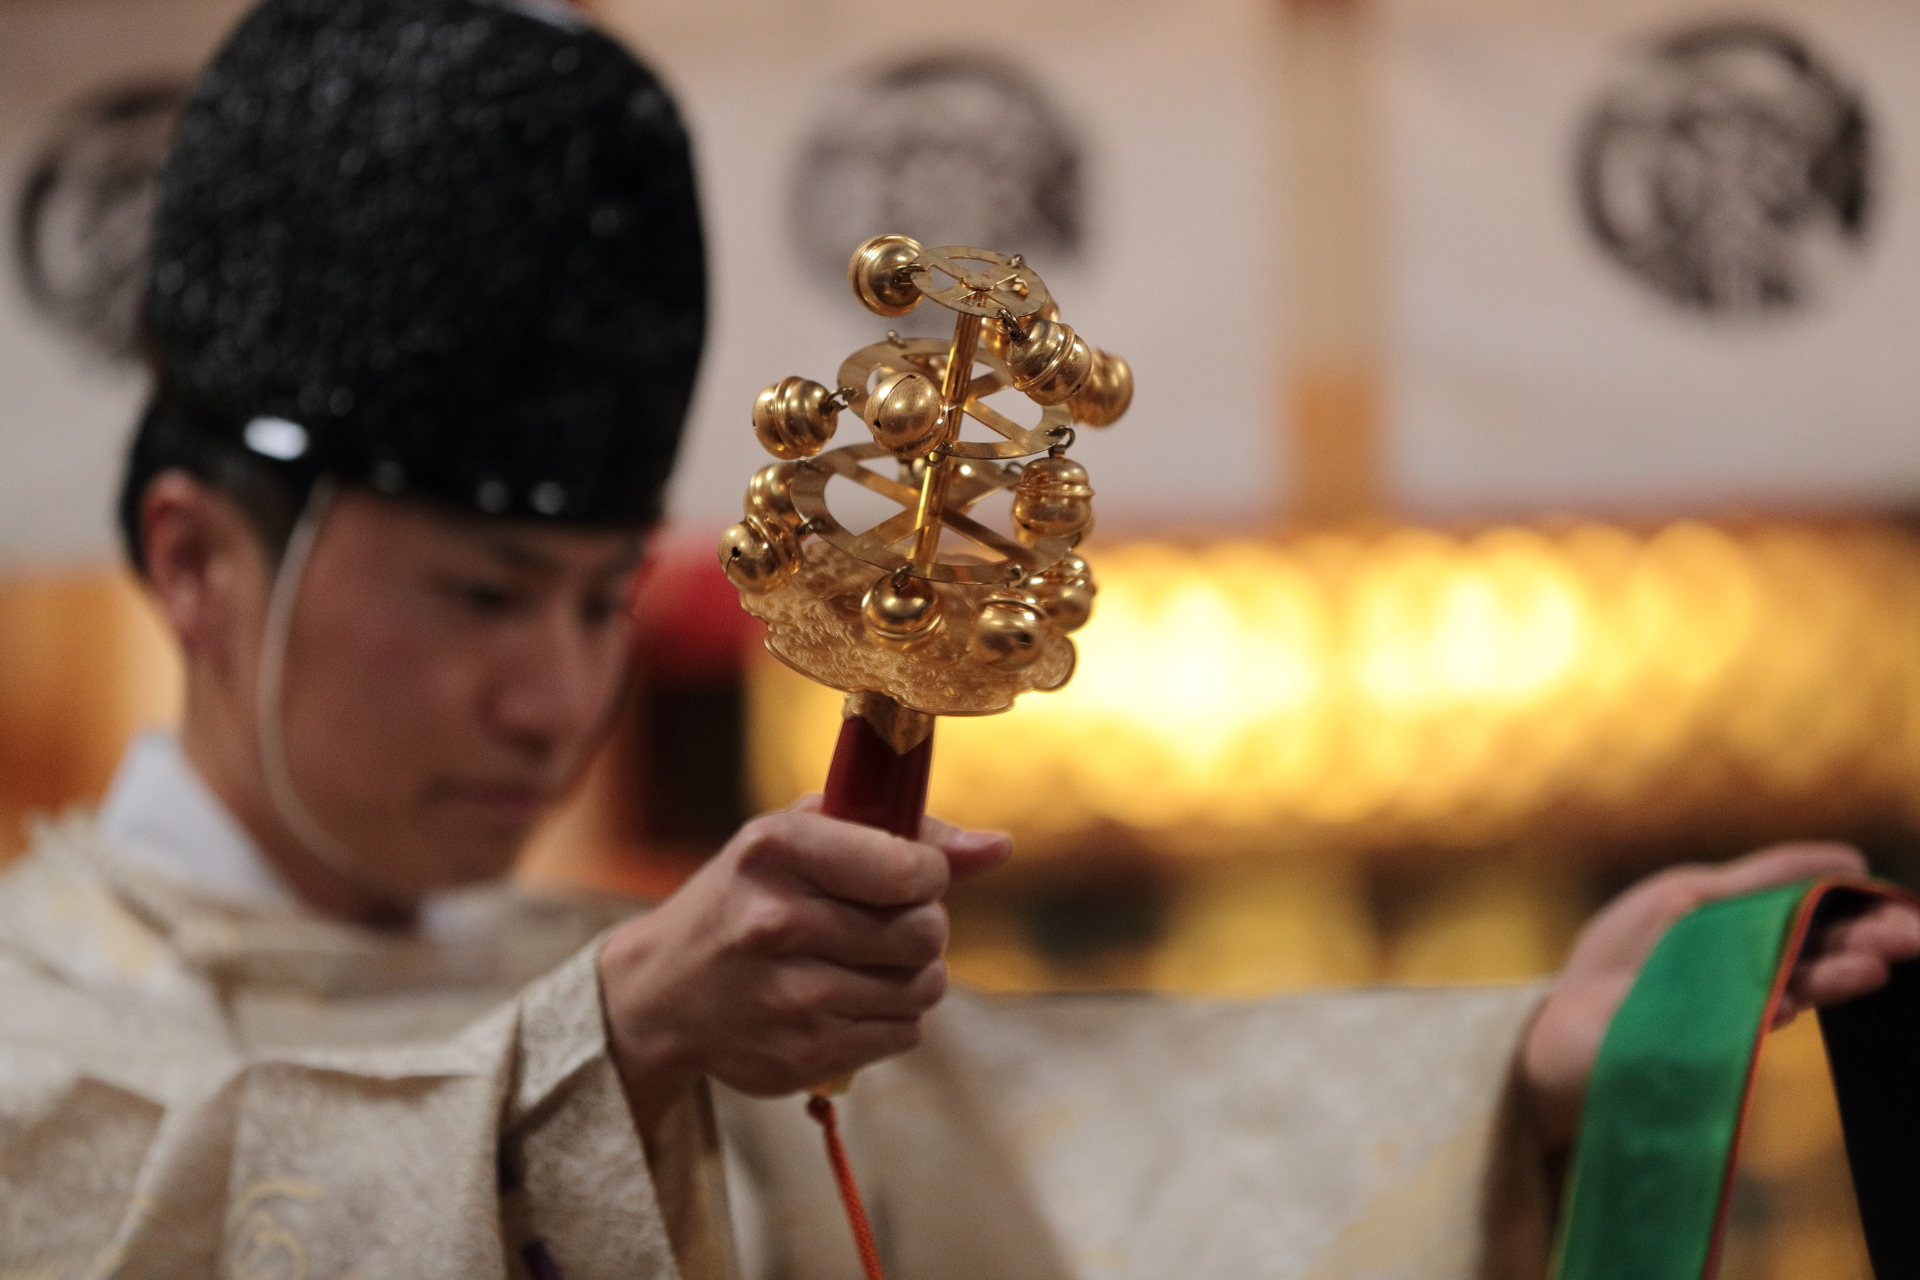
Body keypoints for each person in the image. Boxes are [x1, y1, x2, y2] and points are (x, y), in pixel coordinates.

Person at [2, 1, 1916, 1277]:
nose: (555, 695)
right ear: (195, 564)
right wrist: (617, 1055)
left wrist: (1529, 1058)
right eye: (482, 598)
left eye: (601, 603)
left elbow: (1089, 1161)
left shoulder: (608, 983)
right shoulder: (40, 1014)